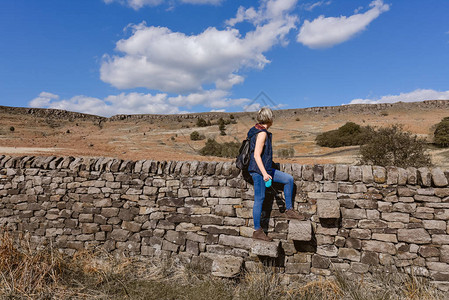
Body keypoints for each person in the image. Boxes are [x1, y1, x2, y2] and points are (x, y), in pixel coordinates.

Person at [247, 107, 301, 241]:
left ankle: (289, 210)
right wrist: (265, 174)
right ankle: (257, 231)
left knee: (288, 179)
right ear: (269, 118)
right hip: (259, 170)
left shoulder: (258, 130)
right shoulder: (261, 133)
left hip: (266, 168)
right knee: (259, 198)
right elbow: (256, 156)